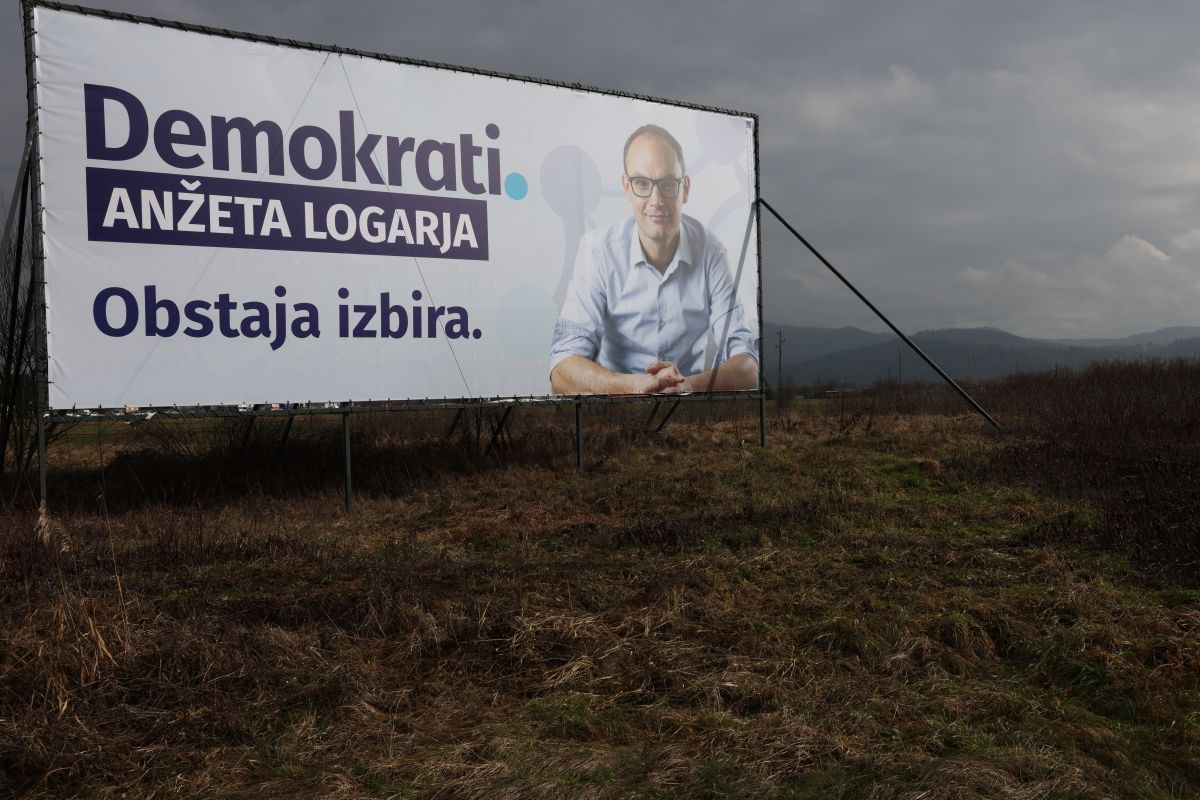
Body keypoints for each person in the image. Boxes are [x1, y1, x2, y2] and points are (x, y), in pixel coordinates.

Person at [549, 124, 758, 394]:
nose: (656, 200)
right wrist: (638, 386)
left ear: (685, 189)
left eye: (668, 184)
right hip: (617, 409)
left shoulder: (712, 253)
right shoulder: (597, 252)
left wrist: (686, 386)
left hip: (689, 409)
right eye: (642, 183)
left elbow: (748, 367)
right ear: (626, 188)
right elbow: (562, 370)